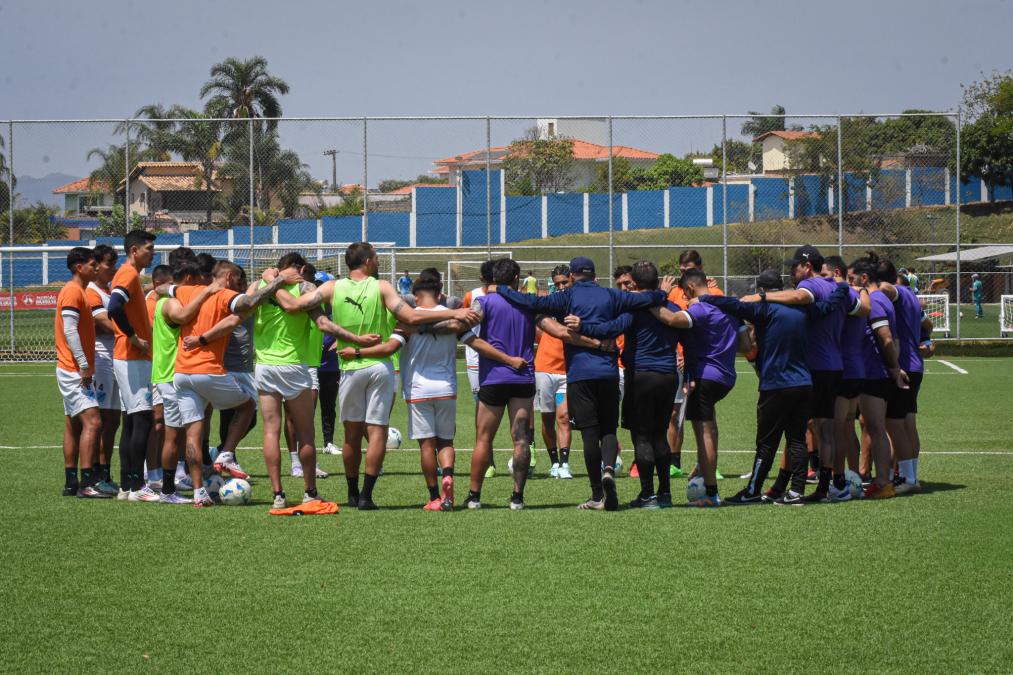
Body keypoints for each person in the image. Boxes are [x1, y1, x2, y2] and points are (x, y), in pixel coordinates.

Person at [284, 242, 478, 509]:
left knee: (351, 435)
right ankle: (366, 496)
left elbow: (295, 305)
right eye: (375, 257)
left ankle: (352, 493)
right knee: (377, 433)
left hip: (350, 366)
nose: (377, 262)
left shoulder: (331, 288)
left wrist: (275, 281)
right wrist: (455, 311)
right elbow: (411, 316)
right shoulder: (382, 287)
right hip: (381, 367)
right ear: (366, 261)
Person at [497, 256, 669, 511]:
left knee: (589, 434)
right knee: (608, 429)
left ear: (573, 275)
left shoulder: (566, 297)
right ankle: (608, 469)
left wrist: (501, 288)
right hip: (609, 372)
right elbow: (644, 300)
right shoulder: (612, 295)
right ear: (594, 275)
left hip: (580, 373)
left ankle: (597, 494)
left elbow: (532, 302)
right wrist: (662, 293)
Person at [705, 269, 848, 506]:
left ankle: (753, 491)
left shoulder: (763, 308)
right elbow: (829, 306)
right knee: (797, 439)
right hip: (804, 382)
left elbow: (733, 305)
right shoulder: (804, 309)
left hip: (775, 384)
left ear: (761, 289)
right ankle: (796, 491)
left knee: (766, 442)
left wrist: (704, 297)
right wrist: (843, 287)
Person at [173, 261, 298, 507]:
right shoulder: (225, 295)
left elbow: (163, 289)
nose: (240, 284)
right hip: (207, 370)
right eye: (239, 279)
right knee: (247, 405)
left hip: (181, 372)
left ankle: (198, 492)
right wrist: (278, 281)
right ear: (229, 277)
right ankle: (227, 453)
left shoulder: (188, 291)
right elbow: (248, 302)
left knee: (193, 434)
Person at [577, 261, 684, 508]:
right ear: (658, 282)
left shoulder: (633, 309)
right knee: (660, 434)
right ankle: (665, 493)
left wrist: (583, 327)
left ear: (634, 283)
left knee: (642, 436)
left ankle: (648, 495)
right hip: (669, 375)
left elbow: (612, 328)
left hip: (641, 375)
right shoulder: (673, 307)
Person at [463, 258, 537, 510]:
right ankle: (517, 498)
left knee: (484, 439)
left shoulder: (484, 302)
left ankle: (474, 496)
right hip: (523, 377)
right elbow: (551, 329)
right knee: (521, 439)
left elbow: (463, 327)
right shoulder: (528, 302)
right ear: (517, 278)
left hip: (494, 378)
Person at [397, 269, 473, 510]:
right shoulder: (454, 318)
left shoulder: (409, 319)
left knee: (427, 445)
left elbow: (393, 343)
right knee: (446, 441)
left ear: (415, 297)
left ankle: (433, 497)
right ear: (440, 295)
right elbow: (473, 336)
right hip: (446, 387)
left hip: (418, 389)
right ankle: (447, 475)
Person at [151, 258, 221, 504]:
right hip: (171, 375)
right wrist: (207, 293)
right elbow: (182, 316)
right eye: (199, 281)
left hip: (174, 375)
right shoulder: (170, 303)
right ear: (190, 279)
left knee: (180, 435)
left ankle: (172, 486)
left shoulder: (169, 297)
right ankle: (168, 490)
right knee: (174, 436)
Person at [852, 253, 909, 500]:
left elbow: (885, 337)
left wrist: (894, 368)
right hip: (879, 371)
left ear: (865, 278)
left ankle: (883, 482)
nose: (851, 284)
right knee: (876, 427)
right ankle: (883, 479)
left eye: (853, 279)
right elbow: (893, 339)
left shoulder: (874, 301)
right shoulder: (883, 299)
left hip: (874, 372)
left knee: (875, 428)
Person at [106, 229, 157, 501]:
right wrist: (134, 337)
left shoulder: (130, 274)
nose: (153, 253)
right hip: (132, 357)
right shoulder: (127, 273)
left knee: (131, 421)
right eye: (149, 249)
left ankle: (127, 486)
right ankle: (137, 487)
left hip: (129, 357)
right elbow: (114, 308)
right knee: (142, 420)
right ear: (134, 250)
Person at [665, 249, 724, 479]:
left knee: (707, 417)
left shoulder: (714, 292)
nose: (683, 273)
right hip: (678, 361)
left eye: (687, 269)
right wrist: (676, 353)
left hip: (702, 362)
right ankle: (674, 462)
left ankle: (709, 464)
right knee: (674, 413)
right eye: (681, 269)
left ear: (699, 268)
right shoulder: (674, 292)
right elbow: (670, 324)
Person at [55, 247, 104, 498]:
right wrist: (84, 364)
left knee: (73, 425)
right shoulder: (73, 291)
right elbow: (70, 330)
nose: (96, 268)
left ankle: (71, 482)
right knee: (93, 422)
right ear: (78, 267)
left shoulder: (79, 291)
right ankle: (87, 483)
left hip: (72, 368)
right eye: (92, 265)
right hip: (74, 369)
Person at [823, 255, 870, 493]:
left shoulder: (843, 295)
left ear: (836, 274)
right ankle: (854, 478)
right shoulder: (858, 296)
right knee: (848, 428)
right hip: (857, 368)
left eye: (824, 275)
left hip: (844, 369)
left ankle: (839, 479)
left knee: (839, 428)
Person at [84, 244, 122, 495]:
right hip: (101, 360)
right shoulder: (92, 291)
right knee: (104, 420)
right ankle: (96, 475)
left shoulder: (108, 290)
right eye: (110, 264)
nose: (114, 269)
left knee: (113, 421)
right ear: (96, 266)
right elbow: (104, 324)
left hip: (116, 358)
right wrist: (133, 332)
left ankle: (105, 472)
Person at [462, 261, 498, 477]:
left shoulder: (506, 296)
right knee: (482, 409)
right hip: (476, 359)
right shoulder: (471, 296)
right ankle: (488, 461)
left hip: (501, 359)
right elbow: (462, 321)